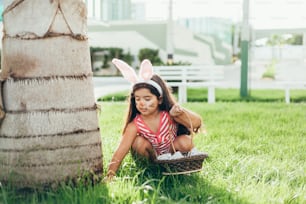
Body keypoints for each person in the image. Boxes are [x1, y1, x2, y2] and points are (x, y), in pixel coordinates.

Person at [104, 58, 203, 181]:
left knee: (185, 140)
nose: (141, 103)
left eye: (147, 98)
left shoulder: (168, 114)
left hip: (172, 154)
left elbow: (197, 122)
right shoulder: (135, 124)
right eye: (137, 99)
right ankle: (152, 170)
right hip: (152, 156)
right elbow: (121, 150)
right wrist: (110, 174)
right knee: (138, 142)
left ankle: (177, 168)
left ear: (159, 99)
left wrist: (178, 113)